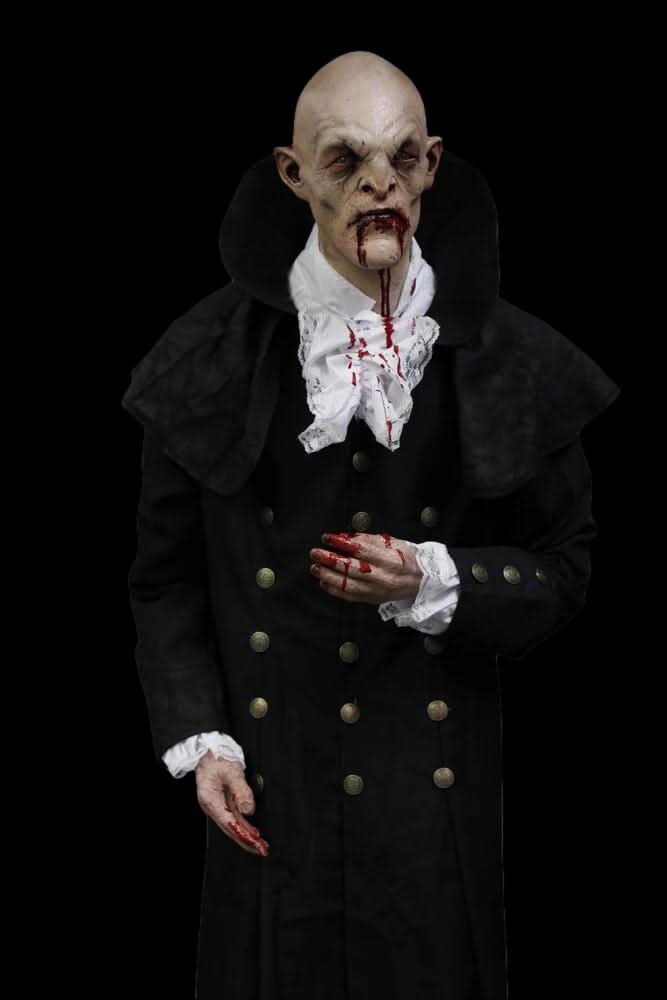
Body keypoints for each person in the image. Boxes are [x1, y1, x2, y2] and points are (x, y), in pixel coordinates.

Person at [122, 51, 620, 1000]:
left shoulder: (510, 355)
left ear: (432, 166)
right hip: (271, 790)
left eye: (401, 158)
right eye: (345, 160)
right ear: (292, 173)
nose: (379, 184)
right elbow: (164, 581)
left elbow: (563, 569)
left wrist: (437, 579)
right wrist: (203, 740)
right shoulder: (207, 356)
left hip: (428, 810)